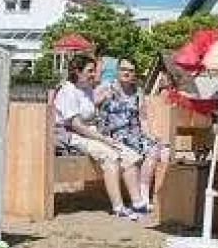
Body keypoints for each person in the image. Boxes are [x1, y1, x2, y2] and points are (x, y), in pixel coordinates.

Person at [53, 55, 148, 219]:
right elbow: (76, 125)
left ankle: (138, 202)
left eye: (94, 71)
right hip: (70, 135)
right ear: (77, 72)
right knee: (110, 155)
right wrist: (103, 139)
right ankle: (118, 207)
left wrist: (105, 135)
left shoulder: (87, 89)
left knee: (129, 155)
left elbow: (94, 116)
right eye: (90, 71)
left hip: (89, 132)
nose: (94, 74)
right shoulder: (68, 91)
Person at [92, 58, 168, 225]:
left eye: (131, 70)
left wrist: (150, 135)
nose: (126, 73)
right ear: (117, 70)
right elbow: (91, 108)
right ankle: (138, 199)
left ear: (134, 74)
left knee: (154, 148)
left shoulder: (137, 91)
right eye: (123, 69)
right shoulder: (106, 87)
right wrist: (101, 100)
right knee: (137, 152)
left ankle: (143, 195)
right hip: (113, 134)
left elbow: (142, 118)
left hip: (134, 133)